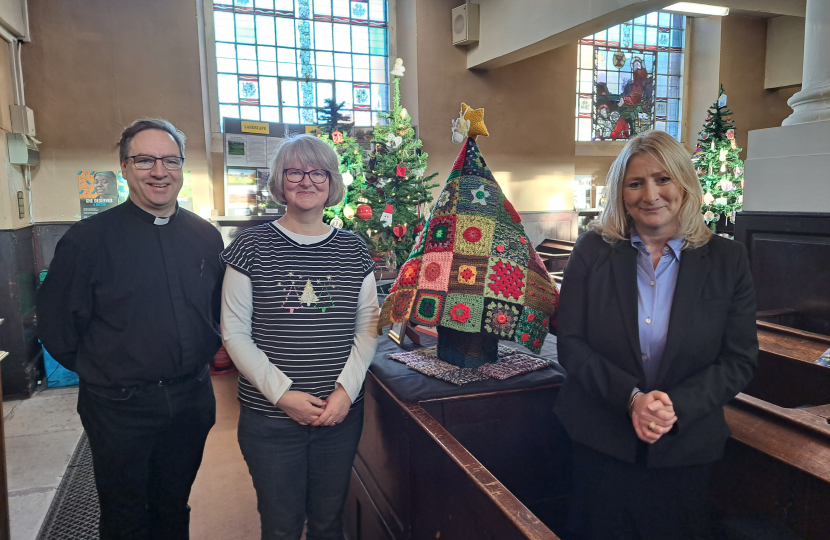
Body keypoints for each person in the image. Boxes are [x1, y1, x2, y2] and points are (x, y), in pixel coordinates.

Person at [554, 129, 758, 540]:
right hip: (600, 440)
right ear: (621, 193)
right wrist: (631, 399)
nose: (650, 194)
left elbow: (739, 360)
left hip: (685, 447)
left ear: (684, 183)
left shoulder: (727, 259)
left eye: (663, 178)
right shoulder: (592, 251)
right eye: (636, 183)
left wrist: (671, 407)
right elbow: (571, 345)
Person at [37, 118, 224, 540]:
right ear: (124, 166)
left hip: (191, 400)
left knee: (174, 503)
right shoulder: (88, 240)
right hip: (119, 407)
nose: (159, 172)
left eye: (170, 161)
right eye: (145, 160)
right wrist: (108, 369)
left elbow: (215, 311)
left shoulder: (205, 236)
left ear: (181, 168)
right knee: (125, 515)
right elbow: (56, 326)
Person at [221, 134, 379, 540]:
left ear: (331, 182)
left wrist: (346, 391)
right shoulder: (251, 245)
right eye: (295, 171)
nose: (307, 181)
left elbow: (368, 326)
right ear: (280, 180)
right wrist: (282, 394)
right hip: (270, 419)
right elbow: (234, 331)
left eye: (318, 172)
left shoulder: (353, 248)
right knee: (281, 526)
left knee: (329, 522)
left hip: (338, 415)